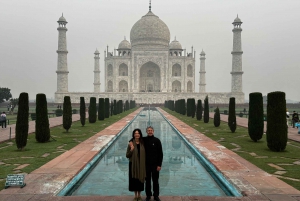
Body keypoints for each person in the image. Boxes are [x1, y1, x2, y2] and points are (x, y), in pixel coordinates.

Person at [130, 126, 163, 201]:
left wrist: (159, 165)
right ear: (146, 132)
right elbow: (134, 139)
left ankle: (156, 195)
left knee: (155, 181)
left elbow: (160, 154)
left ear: (153, 131)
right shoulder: (143, 140)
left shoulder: (157, 140)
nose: (150, 131)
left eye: (151, 130)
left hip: (155, 165)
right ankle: (148, 195)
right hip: (146, 165)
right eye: (148, 130)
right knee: (147, 181)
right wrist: (130, 143)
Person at [126, 129, 146, 201]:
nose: (137, 135)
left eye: (138, 133)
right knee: (134, 180)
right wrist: (131, 149)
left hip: (141, 164)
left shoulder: (143, 142)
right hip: (133, 165)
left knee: (140, 180)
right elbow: (127, 155)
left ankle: (139, 195)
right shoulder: (130, 144)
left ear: (140, 134)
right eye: (135, 133)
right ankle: (135, 196)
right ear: (133, 134)